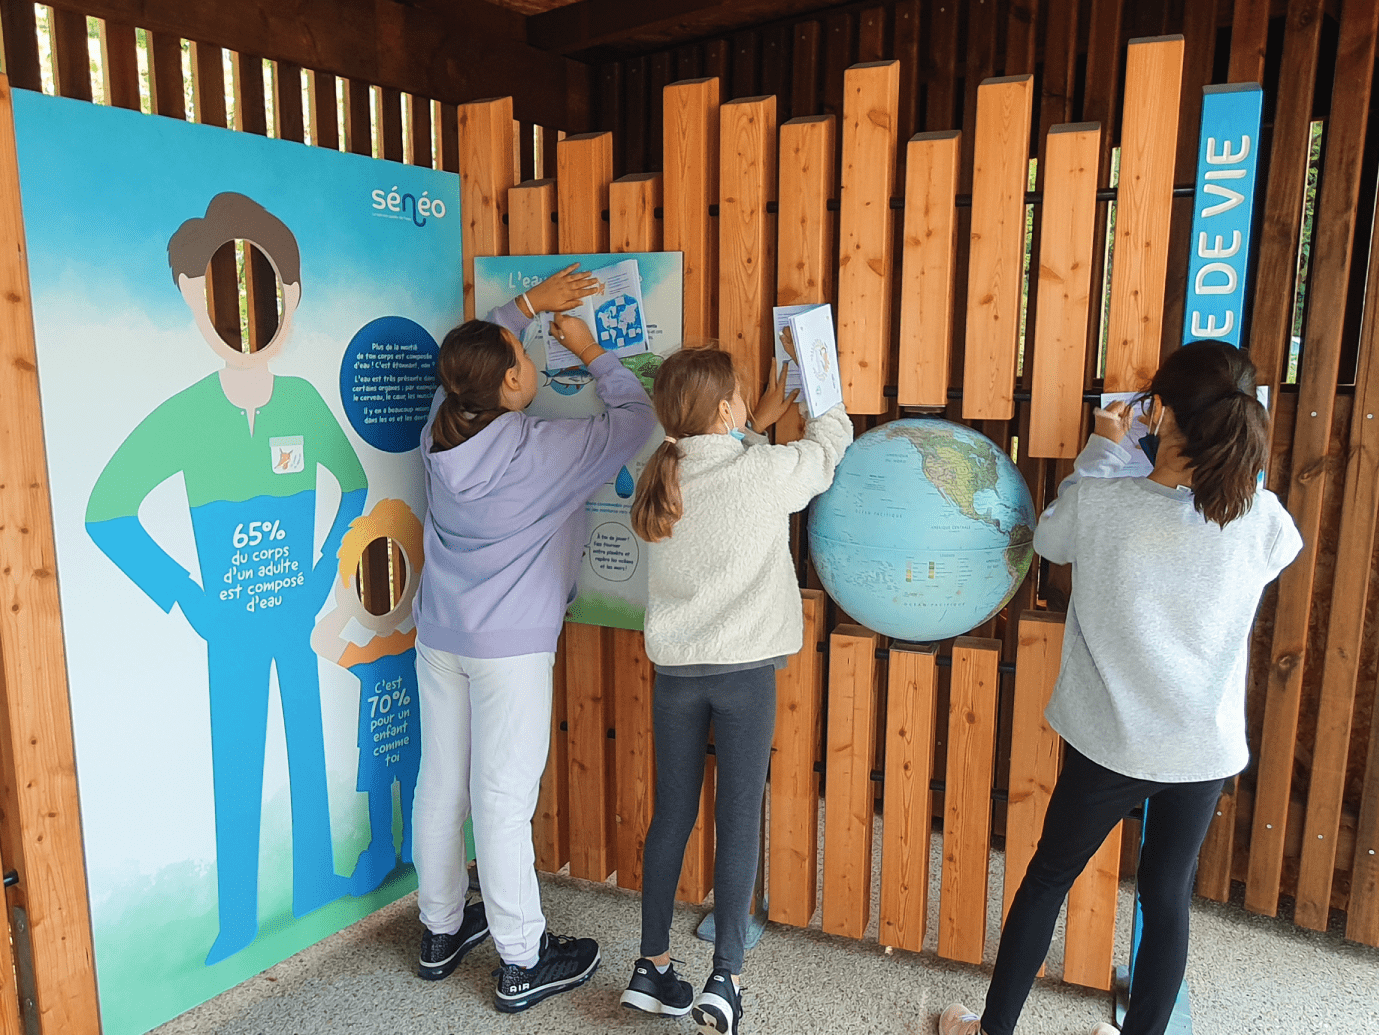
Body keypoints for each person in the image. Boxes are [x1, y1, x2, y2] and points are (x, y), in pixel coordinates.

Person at [939, 340, 1303, 1035]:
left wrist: (1104, 452)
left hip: (1111, 743)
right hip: (1202, 749)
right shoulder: (1263, 520)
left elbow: (1048, 540)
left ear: (1160, 414)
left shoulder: (1103, 507)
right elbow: (1258, 533)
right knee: (1166, 897)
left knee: (1048, 877)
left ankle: (990, 1030)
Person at [85, 192, 367, 966]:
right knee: (237, 756)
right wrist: (185, 593)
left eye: (266, 291)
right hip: (229, 621)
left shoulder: (304, 403)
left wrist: (319, 573)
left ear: (292, 297)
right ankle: (237, 918)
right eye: (218, 290)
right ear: (190, 296)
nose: (246, 315)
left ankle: (315, 880)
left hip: (294, 607)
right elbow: (106, 509)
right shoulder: (185, 416)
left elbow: (352, 486)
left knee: (306, 746)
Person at [410, 266, 656, 1014]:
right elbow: (638, 417)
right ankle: (523, 958)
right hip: (509, 648)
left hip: (439, 633)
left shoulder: (438, 428)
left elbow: (476, 361)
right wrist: (589, 350)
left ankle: (439, 929)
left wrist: (524, 307)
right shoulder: (547, 448)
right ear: (516, 381)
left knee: (442, 782)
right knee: (502, 797)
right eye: (519, 361)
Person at [621, 347, 853, 1035]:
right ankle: (725, 978)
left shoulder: (657, 474)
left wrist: (753, 425)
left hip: (675, 677)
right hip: (745, 674)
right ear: (725, 410)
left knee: (672, 817)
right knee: (736, 818)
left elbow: (714, 453)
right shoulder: (761, 471)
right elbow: (827, 445)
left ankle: (651, 965)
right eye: (741, 397)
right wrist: (823, 387)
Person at [311, 498, 426, 896]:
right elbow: (321, 638)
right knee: (379, 793)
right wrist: (345, 606)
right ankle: (382, 852)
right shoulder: (373, 649)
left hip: (408, 735)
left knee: (410, 787)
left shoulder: (412, 639)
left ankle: (412, 845)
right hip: (378, 741)